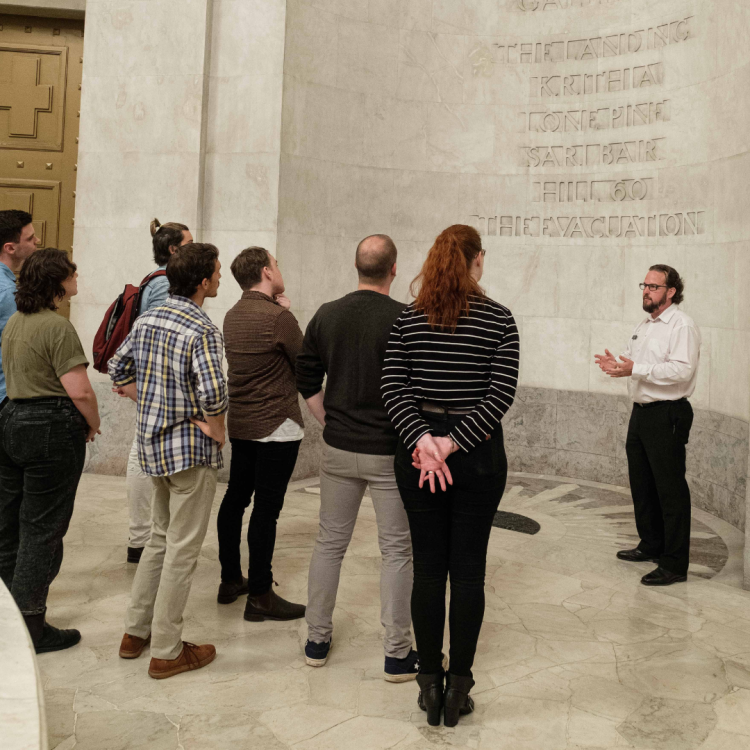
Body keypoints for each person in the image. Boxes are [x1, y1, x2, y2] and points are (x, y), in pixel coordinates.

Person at [382, 224, 519, 727]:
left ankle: (429, 686)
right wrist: (450, 443)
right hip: (476, 456)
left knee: (426, 569)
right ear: (477, 260)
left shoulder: (407, 320)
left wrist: (424, 440)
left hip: (417, 457)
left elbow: (392, 390)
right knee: (468, 573)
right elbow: (499, 397)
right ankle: (458, 688)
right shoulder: (500, 320)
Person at [297, 234, 418, 681]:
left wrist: (327, 419)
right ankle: (396, 653)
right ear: (394, 269)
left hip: (340, 447)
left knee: (329, 544)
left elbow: (306, 374)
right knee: (397, 551)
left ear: (356, 266)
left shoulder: (328, 313)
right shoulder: (407, 319)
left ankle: (316, 640)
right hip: (389, 451)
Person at [110, 243, 226, 679]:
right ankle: (166, 649)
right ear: (202, 282)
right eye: (216, 271)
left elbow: (118, 370)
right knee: (182, 549)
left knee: (159, 539)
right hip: (189, 454)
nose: (219, 277)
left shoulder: (148, 318)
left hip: (152, 447)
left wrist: (156, 404)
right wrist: (215, 427)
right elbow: (214, 393)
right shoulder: (202, 328)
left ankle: (135, 632)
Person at [0, 248, 100, 653]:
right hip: (49, 427)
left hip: (10, 420)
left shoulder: (15, 323)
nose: (77, 276)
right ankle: (31, 626)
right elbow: (79, 389)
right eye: (72, 272)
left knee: (9, 524)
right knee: (42, 528)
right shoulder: (57, 328)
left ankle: (7, 612)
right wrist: (93, 423)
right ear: (59, 282)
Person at [595, 264, 700, 587]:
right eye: (644, 285)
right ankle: (651, 544)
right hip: (641, 413)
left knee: (670, 490)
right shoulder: (645, 324)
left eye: (654, 286)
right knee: (643, 484)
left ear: (671, 292)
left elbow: (682, 370)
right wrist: (618, 364)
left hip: (668, 414)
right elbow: (633, 360)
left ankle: (674, 564)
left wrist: (636, 368)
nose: (646, 291)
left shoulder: (681, 325)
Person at [216, 247, 305, 621]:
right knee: (266, 511)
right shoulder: (278, 319)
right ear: (267, 272)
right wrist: (286, 314)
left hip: (242, 423)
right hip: (277, 426)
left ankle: (230, 580)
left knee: (236, 498)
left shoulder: (232, 315)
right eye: (278, 263)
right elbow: (306, 367)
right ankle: (261, 594)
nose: (280, 268)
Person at [125, 219, 193, 565]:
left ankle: (144, 536)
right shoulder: (165, 283)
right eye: (190, 243)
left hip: (151, 379)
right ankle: (141, 538)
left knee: (143, 450)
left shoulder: (156, 280)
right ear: (173, 249)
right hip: (157, 380)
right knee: (141, 452)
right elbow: (155, 334)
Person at [0, 210, 40, 409]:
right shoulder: (7, 292)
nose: (37, 241)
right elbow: (18, 346)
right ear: (10, 247)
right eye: (31, 238)